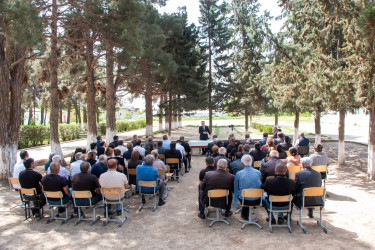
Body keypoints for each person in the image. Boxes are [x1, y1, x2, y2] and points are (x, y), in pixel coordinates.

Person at [234, 155, 261, 220]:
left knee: (242, 193)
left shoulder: (239, 173)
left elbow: (235, 187)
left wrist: (235, 203)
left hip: (244, 199)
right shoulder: (258, 172)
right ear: (251, 162)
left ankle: (245, 214)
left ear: (242, 163)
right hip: (256, 199)